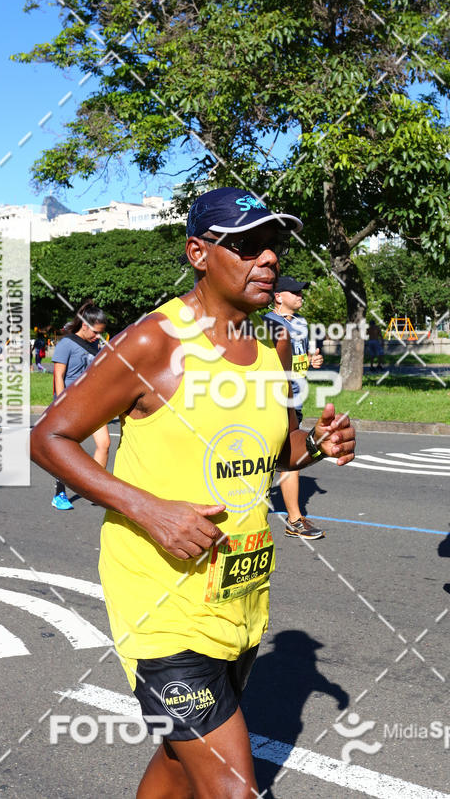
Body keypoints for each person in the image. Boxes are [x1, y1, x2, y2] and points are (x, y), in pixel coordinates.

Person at [31, 186, 356, 799]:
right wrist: (149, 509)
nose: (268, 260)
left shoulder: (270, 352)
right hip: (159, 602)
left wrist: (319, 445)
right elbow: (50, 437)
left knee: (180, 763)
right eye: (247, 245)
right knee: (233, 788)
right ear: (198, 253)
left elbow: (275, 454)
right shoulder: (156, 342)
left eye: (273, 246)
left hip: (237, 596)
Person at [264, 276, 326, 540]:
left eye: (301, 292)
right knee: (269, 459)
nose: (301, 296)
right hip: (271, 401)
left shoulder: (301, 323)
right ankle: (291, 518)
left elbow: (299, 358)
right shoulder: (266, 324)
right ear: (278, 296)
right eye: (295, 292)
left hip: (295, 399)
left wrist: (312, 360)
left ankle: (294, 520)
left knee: (290, 458)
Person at [50, 303, 109, 510]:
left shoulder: (95, 345)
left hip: (91, 402)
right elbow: (59, 374)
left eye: (101, 333)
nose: (97, 336)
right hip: (70, 403)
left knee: (104, 444)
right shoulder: (66, 343)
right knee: (68, 450)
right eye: (95, 332)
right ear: (84, 325)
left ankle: (93, 489)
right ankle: (59, 493)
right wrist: (61, 403)